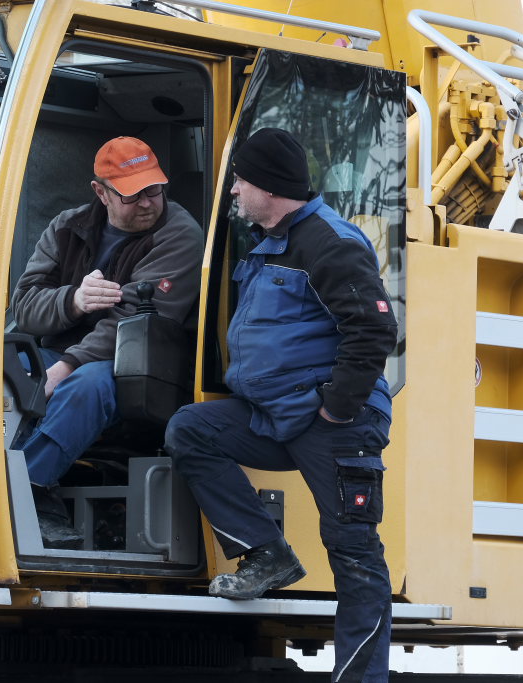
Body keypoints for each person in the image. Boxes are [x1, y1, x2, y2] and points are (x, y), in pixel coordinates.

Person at [164, 128, 397, 682]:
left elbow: (374, 330)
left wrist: (336, 410)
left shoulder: (330, 242)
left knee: (354, 554)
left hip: (334, 422)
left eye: (240, 181)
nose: (234, 191)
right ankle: (267, 553)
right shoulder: (270, 242)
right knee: (192, 429)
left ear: (268, 186)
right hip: (276, 416)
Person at [12, 136, 203, 549]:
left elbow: (134, 321)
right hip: (61, 353)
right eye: (133, 195)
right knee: (6, 369)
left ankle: (28, 488)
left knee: (87, 385)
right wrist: (73, 300)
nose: (148, 203)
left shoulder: (180, 235)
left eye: (155, 189)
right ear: (101, 193)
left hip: (139, 366)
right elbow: (24, 306)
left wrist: (65, 367)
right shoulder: (67, 226)